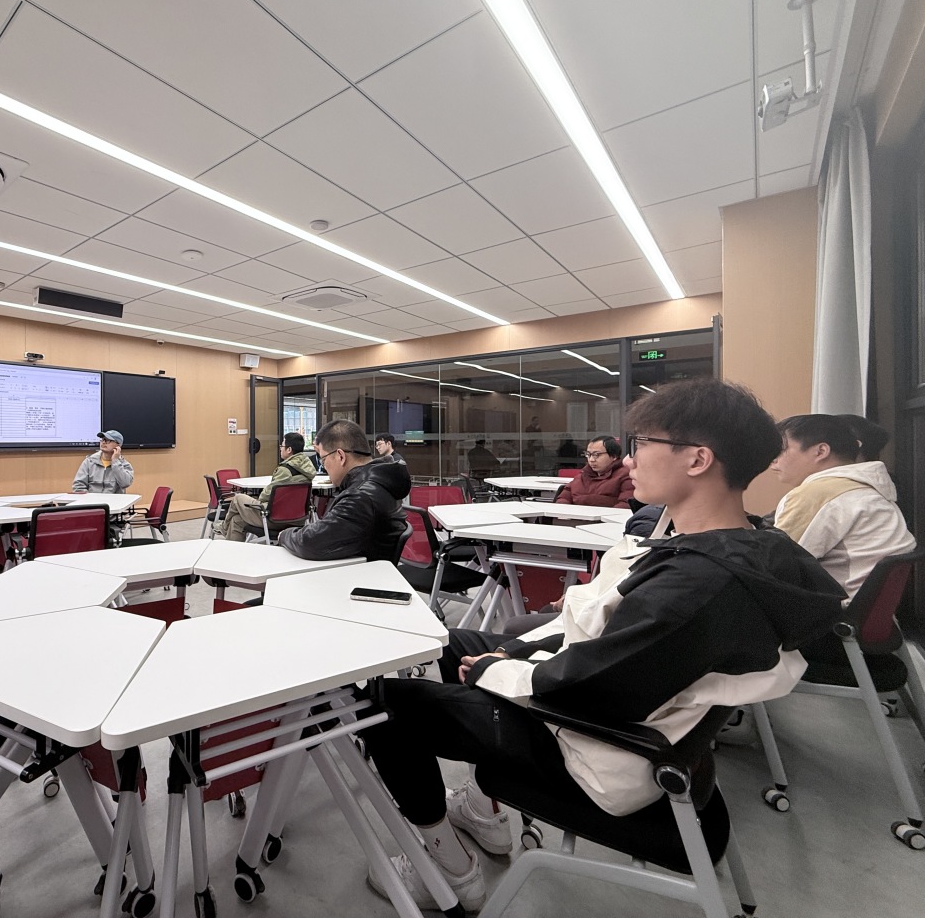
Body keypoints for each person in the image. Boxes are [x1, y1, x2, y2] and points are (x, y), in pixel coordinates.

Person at [359, 379, 844, 912]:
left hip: (604, 747)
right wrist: (506, 658)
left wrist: (494, 672)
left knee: (388, 706)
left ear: (698, 459)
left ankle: (449, 872)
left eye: (642, 444)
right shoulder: (731, 545)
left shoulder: (697, 588)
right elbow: (601, 635)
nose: (629, 459)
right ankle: (483, 812)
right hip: (633, 713)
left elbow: (589, 686)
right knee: (454, 641)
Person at [771, 414, 915, 600]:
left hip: (830, 609)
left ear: (821, 451)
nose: (773, 460)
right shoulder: (869, 488)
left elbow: (773, 566)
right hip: (862, 608)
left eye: (782, 449)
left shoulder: (820, 494)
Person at [278, 419, 410, 562]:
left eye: (323, 460)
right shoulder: (380, 482)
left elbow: (311, 542)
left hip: (359, 572)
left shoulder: (360, 496)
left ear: (340, 456)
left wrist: (284, 535)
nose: (324, 466)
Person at [221, 432, 316, 541]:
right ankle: (232, 547)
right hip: (298, 519)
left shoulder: (285, 470)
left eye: (282, 445)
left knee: (238, 498)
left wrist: (259, 497)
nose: (280, 448)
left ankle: (223, 527)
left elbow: (266, 496)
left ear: (289, 449)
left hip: (275, 519)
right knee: (237, 520)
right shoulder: (308, 470)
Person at [554, 434, 634, 508]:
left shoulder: (626, 476)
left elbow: (625, 504)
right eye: (588, 454)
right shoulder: (582, 475)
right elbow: (564, 497)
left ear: (614, 456)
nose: (591, 460)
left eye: (596, 455)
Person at [72, 429, 134, 494]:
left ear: (118, 445)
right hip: (92, 499)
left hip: (114, 500)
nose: (103, 442)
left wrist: (115, 461)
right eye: (102, 440)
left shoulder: (124, 465)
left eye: (108, 440)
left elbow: (125, 484)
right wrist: (89, 498)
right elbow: (78, 485)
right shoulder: (89, 461)